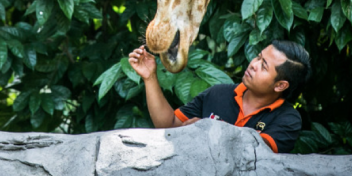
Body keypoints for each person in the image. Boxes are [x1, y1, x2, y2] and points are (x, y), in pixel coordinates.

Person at [128, 40, 311, 153]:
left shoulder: (288, 119)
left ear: (280, 85)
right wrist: (150, 77)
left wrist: (206, 127)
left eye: (264, 66)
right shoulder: (218, 93)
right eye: (257, 57)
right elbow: (168, 125)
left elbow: (256, 150)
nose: (253, 64)